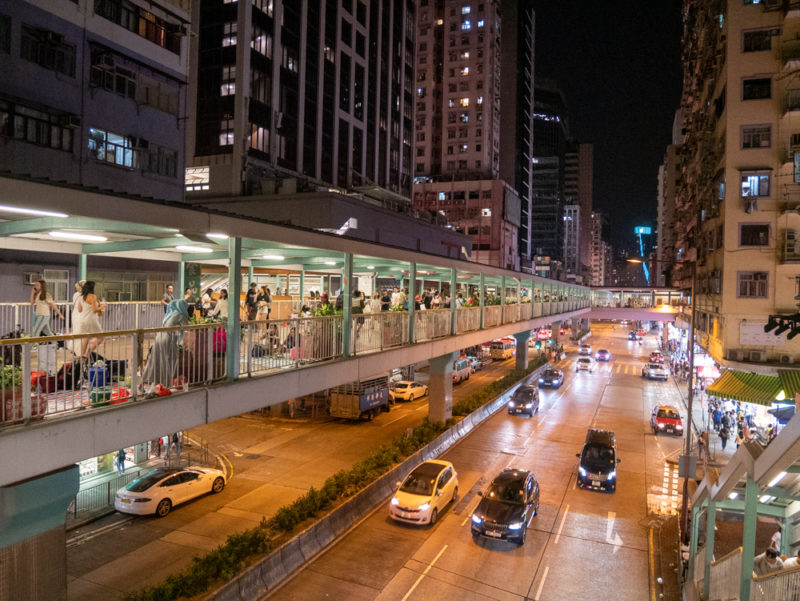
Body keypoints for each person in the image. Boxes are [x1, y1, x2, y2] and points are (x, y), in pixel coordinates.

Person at [142, 299, 190, 390]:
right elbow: (186, 327)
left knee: (156, 359)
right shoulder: (181, 315)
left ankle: (151, 380)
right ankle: (166, 383)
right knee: (168, 359)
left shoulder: (169, 314)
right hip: (168, 338)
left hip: (159, 337)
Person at [76, 281, 105, 358]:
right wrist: (102, 306)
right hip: (91, 319)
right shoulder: (93, 296)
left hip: (83, 319)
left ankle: (82, 355)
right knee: (101, 338)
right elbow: (94, 310)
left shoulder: (80, 297)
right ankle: (88, 353)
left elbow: (79, 309)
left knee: (86, 337)